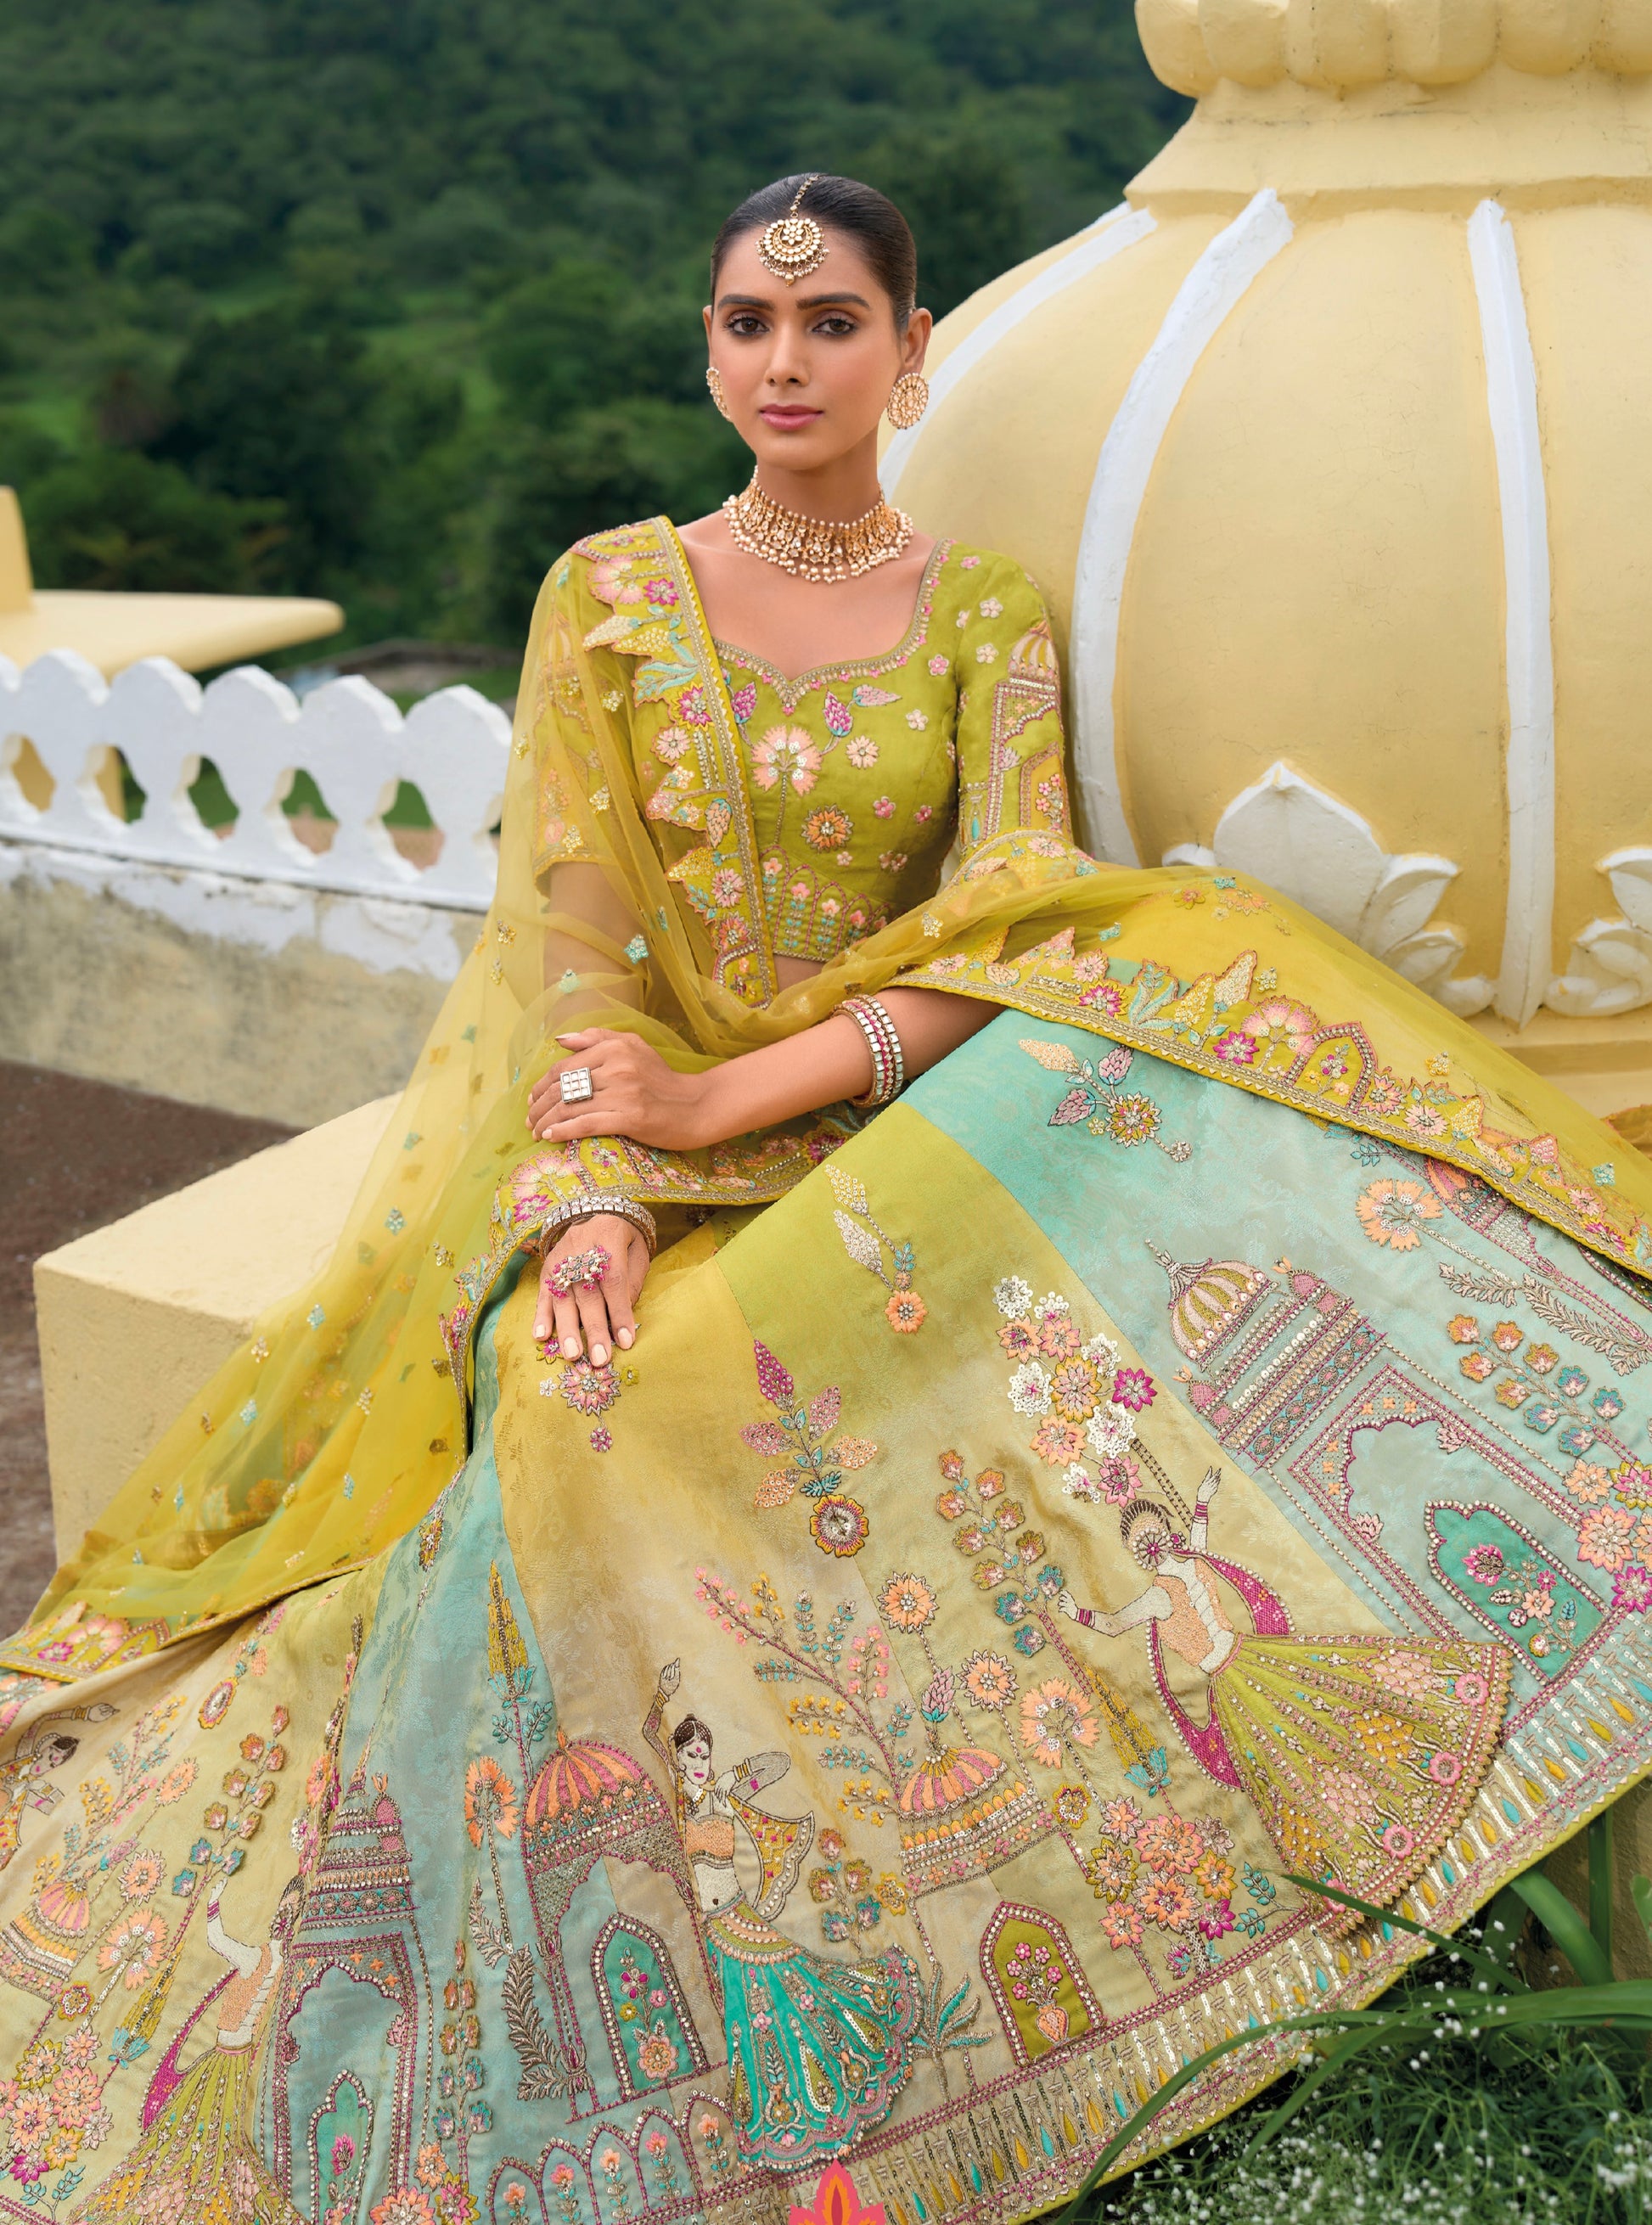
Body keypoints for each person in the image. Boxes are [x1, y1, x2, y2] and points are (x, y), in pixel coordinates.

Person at [3, 171, 1652, 2222]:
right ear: (709, 350)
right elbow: (574, 946)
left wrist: (736, 1094)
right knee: (576, 1415)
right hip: (648, 1141)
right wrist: (607, 1179)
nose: (782, 363)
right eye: (743, 326)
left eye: (830, 324)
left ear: (913, 348)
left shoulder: (981, 619)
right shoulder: (607, 595)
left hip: (876, 1108)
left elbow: (1010, 931)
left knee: (1150, 1103)